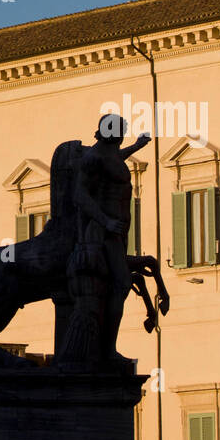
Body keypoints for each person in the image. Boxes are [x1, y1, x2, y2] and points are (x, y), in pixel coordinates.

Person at [71, 114, 151, 362]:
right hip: (104, 232)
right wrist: (105, 221)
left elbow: (114, 160)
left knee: (120, 284)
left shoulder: (108, 154)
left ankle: (107, 348)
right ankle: (107, 350)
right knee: (122, 284)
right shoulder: (93, 159)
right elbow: (80, 196)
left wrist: (137, 146)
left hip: (117, 230)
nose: (123, 135)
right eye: (121, 131)